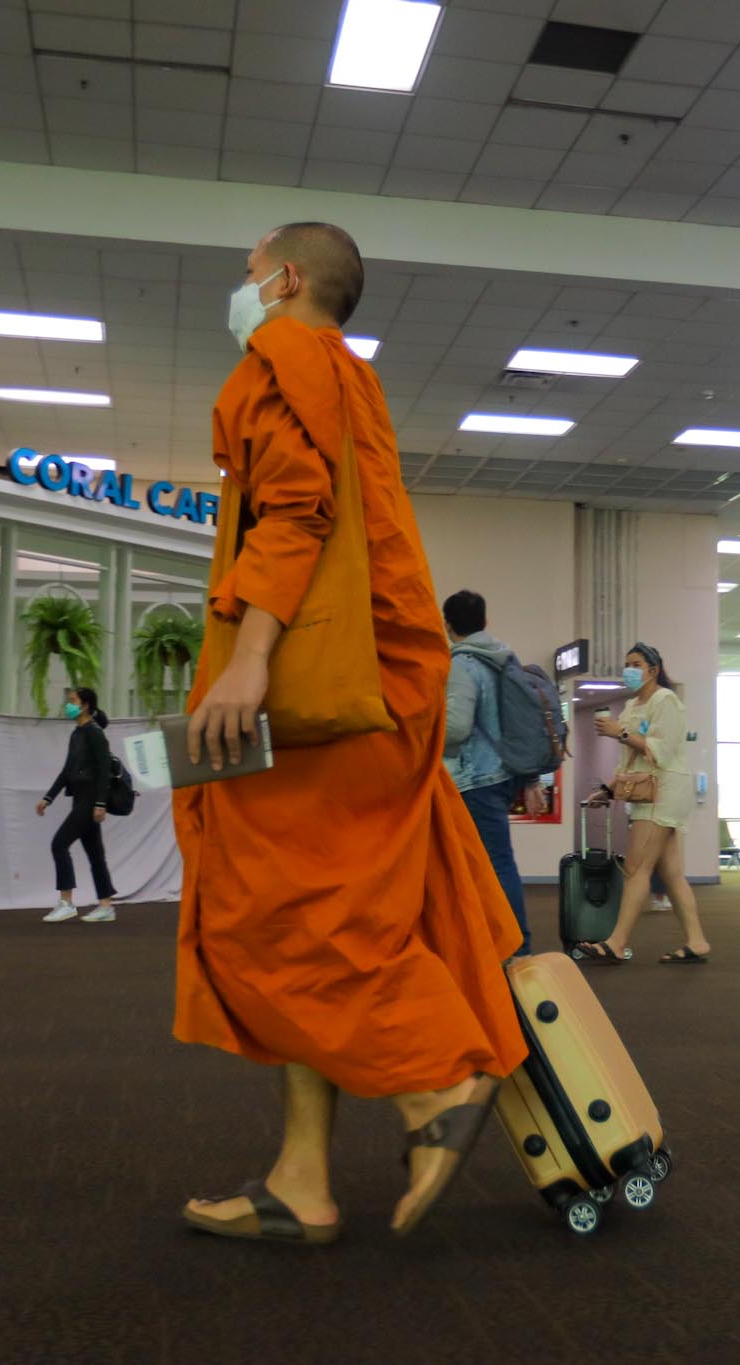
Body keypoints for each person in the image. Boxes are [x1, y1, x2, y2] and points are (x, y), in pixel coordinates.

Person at [175, 222, 527, 1245]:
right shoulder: (348, 378)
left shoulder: (278, 358)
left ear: (285, 281)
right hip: (374, 685)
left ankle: (435, 1085)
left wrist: (248, 655)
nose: (239, 293)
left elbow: (293, 512)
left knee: (272, 913)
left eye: (247, 276)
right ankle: (301, 1178)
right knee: (321, 902)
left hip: (308, 697)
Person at [575, 642, 712, 966]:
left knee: (636, 868)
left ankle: (617, 942)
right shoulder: (632, 705)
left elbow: (659, 751)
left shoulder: (667, 701)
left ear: (653, 669)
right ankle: (697, 941)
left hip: (663, 792)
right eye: (627, 664)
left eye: (636, 664)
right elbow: (630, 760)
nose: (630, 670)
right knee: (672, 873)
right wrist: (608, 792)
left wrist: (617, 732)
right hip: (647, 792)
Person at [442, 589, 530, 956]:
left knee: (494, 863)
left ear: (447, 626)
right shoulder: (503, 659)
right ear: (485, 621)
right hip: (502, 775)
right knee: (491, 862)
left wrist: (426, 726)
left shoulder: (462, 665)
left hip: (475, 779)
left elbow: (457, 728)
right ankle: (498, 943)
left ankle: (516, 948)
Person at [35, 686, 119, 924]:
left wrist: (100, 803)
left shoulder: (94, 733)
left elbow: (104, 772)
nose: (68, 705)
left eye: (72, 701)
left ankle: (66, 902)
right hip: (80, 800)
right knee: (95, 855)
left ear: (85, 706)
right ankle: (106, 907)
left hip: (91, 800)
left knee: (59, 844)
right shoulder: (77, 733)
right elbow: (67, 771)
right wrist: (48, 798)